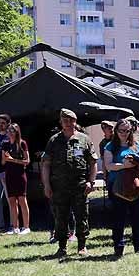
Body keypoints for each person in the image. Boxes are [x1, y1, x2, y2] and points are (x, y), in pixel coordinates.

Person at [41, 108, 97, 257]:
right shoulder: (54, 140)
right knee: (61, 217)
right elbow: (46, 164)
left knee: (82, 216)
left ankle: (82, 246)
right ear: (61, 122)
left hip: (80, 186)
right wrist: (46, 185)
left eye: (71, 120)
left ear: (75, 121)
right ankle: (62, 247)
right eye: (65, 120)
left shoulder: (84, 139)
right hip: (59, 187)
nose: (68, 123)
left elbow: (92, 163)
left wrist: (91, 182)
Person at [103, 118, 139, 256]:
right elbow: (108, 166)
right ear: (116, 131)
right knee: (118, 218)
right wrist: (124, 165)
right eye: (121, 130)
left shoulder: (136, 146)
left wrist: (138, 162)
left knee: (137, 216)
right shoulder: (110, 146)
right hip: (117, 187)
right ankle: (118, 246)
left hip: (135, 186)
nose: (124, 133)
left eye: (127, 131)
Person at [3, 123, 32, 234]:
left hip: (20, 175)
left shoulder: (22, 143)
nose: (10, 133)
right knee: (11, 201)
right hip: (9, 175)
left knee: (22, 200)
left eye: (12, 131)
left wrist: (12, 159)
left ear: (17, 132)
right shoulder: (5, 144)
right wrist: (5, 158)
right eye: (9, 131)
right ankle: (15, 227)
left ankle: (26, 227)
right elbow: (3, 161)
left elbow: (27, 161)